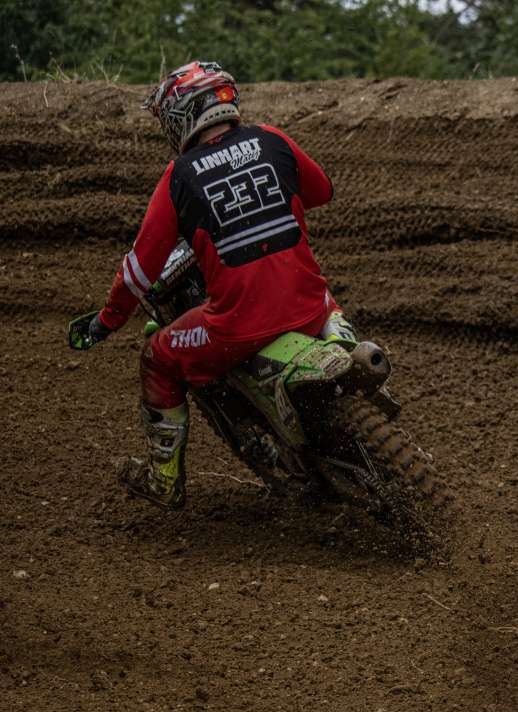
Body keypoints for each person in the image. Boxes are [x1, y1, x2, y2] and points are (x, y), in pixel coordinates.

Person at [67, 60, 353, 509]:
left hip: (238, 325)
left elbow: (138, 272)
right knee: (321, 293)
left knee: (157, 357)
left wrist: (106, 321)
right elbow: (322, 192)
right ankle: (348, 350)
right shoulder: (273, 139)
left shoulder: (179, 176)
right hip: (310, 304)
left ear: (181, 115)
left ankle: (163, 480)